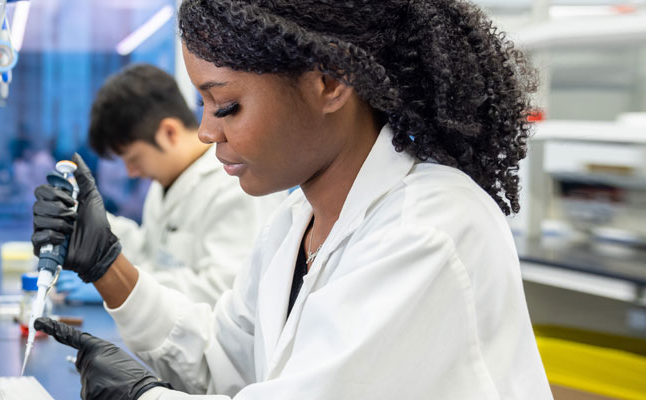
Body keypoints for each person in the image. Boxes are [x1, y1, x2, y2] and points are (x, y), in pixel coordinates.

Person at [29, 0, 552, 399]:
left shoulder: (428, 230)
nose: (206, 132)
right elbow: (219, 364)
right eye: (203, 104)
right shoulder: (295, 222)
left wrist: (142, 396)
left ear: (329, 82)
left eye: (227, 105)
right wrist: (107, 266)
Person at [84, 64, 286, 305]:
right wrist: (93, 223)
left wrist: (119, 285)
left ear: (169, 132)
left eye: (134, 159)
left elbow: (224, 291)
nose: (131, 172)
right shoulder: (166, 183)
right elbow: (151, 255)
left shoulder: (238, 185)